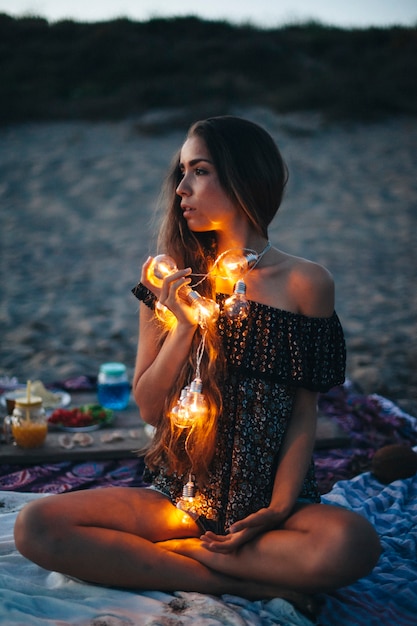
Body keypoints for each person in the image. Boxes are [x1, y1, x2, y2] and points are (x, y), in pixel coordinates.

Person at [14, 116, 380, 609]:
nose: (182, 188)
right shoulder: (168, 279)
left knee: (354, 545)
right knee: (35, 526)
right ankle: (238, 578)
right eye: (182, 172)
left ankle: (177, 558)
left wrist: (278, 509)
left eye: (200, 170)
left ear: (244, 176)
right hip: (179, 500)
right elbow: (147, 409)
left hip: (271, 506)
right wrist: (183, 326)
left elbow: (303, 412)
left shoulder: (306, 283)